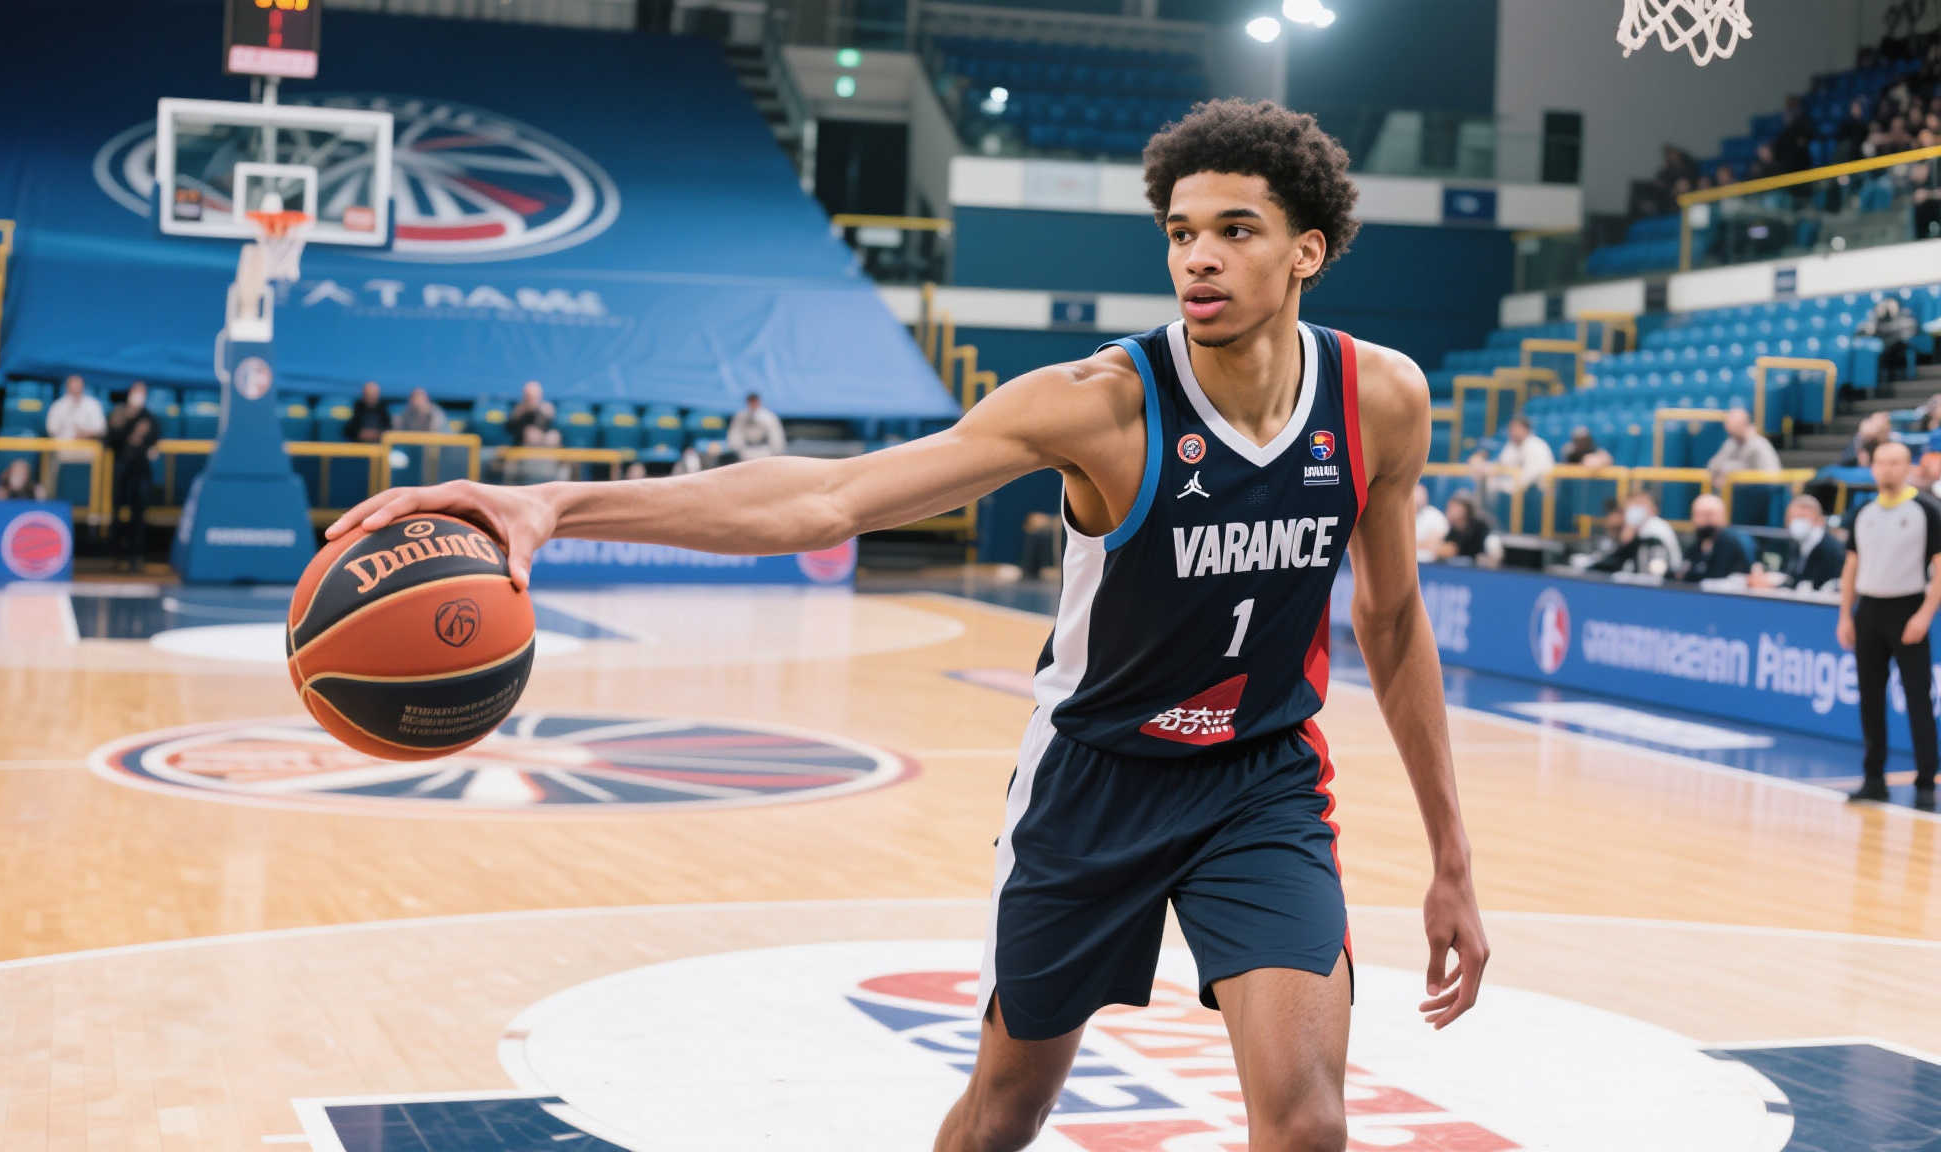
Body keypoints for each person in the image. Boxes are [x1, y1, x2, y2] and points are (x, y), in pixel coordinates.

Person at [326, 97, 1489, 1152]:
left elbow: (1390, 624)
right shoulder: (1098, 408)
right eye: (1180, 231)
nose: (1197, 256)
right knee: (1003, 1112)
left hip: (1258, 780)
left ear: (1305, 252)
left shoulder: (1378, 400)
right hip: (1094, 783)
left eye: (1234, 230)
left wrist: (1450, 859)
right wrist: (556, 503)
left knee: (1307, 1125)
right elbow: (826, 497)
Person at [1838, 440, 1941, 811]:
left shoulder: (1926, 509)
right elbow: (1851, 565)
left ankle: (1926, 781)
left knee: (1917, 697)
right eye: (1881, 462)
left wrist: (1925, 614)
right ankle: (1873, 779)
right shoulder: (1863, 512)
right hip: (1869, 609)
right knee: (1870, 697)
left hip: (1907, 607)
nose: (1888, 469)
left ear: (1907, 466)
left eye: (1896, 462)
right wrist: (1845, 614)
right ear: (1873, 468)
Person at [106, 381, 161, 571]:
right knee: (116, 513)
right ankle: (115, 556)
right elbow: (111, 439)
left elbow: (153, 438)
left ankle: (136, 556)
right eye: (136, 392)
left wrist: (139, 437)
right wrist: (131, 429)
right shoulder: (119, 413)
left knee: (138, 515)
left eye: (142, 392)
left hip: (141, 472)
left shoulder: (149, 417)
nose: (138, 396)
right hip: (121, 469)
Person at [1750, 495, 1844, 592]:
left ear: (1819, 521)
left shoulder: (1831, 550)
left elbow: (1816, 583)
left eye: (1803, 517)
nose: (1798, 522)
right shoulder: (1796, 544)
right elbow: (1795, 578)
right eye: (1793, 518)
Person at [1587, 488, 1684, 575]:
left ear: (1653, 508)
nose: (1634, 510)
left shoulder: (1655, 525)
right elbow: (1620, 555)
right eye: (1631, 507)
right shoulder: (1637, 527)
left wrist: (1630, 528)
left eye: (1640, 505)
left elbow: (1655, 568)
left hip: (1666, 578)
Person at [1469, 415, 1553, 499]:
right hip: (1519, 492)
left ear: (1526, 429)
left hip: (1539, 492)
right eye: (1511, 429)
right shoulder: (1511, 445)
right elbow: (1504, 465)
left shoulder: (1536, 445)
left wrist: (1508, 487)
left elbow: (1531, 474)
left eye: (1517, 428)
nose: (1513, 432)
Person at [1705, 407, 1781, 491]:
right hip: (1737, 494)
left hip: (1760, 493)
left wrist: (1728, 474)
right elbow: (1712, 466)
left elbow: (1772, 478)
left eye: (1735, 425)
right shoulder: (1731, 443)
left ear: (1744, 424)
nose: (1729, 429)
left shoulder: (1759, 444)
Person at [1682, 493, 1751, 583]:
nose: (1704, 520)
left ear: (1722, 517)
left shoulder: (1731, 544)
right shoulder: (1694, 546)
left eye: (1709, 515)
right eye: (1698, 515)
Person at [46, 375, 107, 442]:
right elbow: (51, 429)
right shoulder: (58, 406)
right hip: (63, 446)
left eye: (78, 386)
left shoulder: (93, 404)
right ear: (67, 387)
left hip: (88, 446)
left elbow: (101, 429)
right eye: (73, 386)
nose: (75, 389)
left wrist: (85, 433)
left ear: (83, 387)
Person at [727, 392, 786, 461]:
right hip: (746, 451)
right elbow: (735, 433)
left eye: (755, 401)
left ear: (759, 402)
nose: (753, 404)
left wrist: (777, 449)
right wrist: (735, 448)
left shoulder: (768, 416)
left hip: (765, 450)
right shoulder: (741, 416)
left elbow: (775, 434)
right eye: (751, 402)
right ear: (747, 402)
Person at [1438, 492, 1491, 561]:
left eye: (1453, 507)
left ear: (1464, 509)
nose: (1449, 511)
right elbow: (1446, 550)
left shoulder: (1481, 526)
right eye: (1449, 508)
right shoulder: (1453, 530)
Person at [1413, 482, 1448, 563]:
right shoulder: (1400, 516)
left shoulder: (1435, 516)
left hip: (1429, 563)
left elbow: (1433, 544)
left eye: (1420, 495)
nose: (1417, 499)